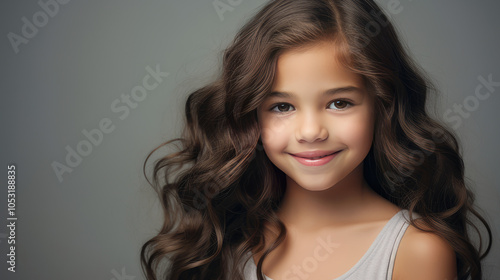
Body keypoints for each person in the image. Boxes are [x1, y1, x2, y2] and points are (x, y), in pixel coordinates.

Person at [140, 0, 492, 279]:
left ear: (382, 106)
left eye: (340, 103)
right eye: (281, 106)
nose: (311, 132)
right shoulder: (225, 240)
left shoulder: (416, 250)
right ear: (252, 117)